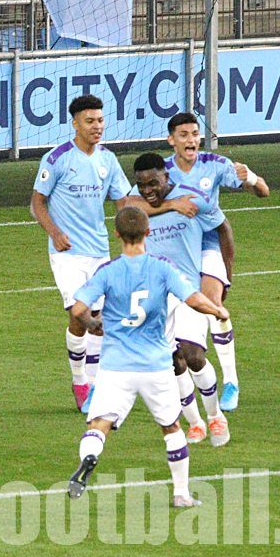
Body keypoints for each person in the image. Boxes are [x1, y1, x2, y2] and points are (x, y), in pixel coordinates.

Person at [66, 206, 229, 505]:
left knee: (99, 424)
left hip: (116, 366)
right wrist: (217, 309)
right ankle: (181, 494)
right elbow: (192, 299)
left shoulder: (108, 271)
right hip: (155, 365)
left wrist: (92, 324)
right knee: (171, 428)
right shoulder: (162, 267)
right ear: (147, 232)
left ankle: (90, 457)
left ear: (116, 233)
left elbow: (78, 309)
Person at [30, 94, 131, 413]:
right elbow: (37, 203)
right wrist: (55, 233)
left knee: (98, 318)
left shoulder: (108, 160)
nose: (97, 126)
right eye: (90, 121)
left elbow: (123, 202)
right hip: (67, 254)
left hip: (99, 251)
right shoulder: (57, 158)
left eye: (100, 120)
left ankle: (94, 385)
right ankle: (79, 381)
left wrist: (128, 236)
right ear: (75, 124)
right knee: (79, 315)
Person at [163, 112, 270, 412]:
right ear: (171, 140)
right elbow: (134, 203)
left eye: (195, 133)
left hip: (209, 242)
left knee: (214, 305)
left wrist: (250, 177)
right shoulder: (162, 172)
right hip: (175, 247)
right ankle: (178, 385)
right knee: (175, 335)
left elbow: (262, 192)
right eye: (183, 134)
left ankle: (231, 381)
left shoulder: (216, 164)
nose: (191, 140)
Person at [128, 152, 231, 446]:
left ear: (166, 176)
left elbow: (223, 229)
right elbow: (125, 208)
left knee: (193, 355)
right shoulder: (139, 203)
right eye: (141, 185)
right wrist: (169, 205)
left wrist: (226, 275)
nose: (147, 190)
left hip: (187, 288)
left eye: (153, 183)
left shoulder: (195, 200)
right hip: (156, 295)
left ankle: (215, 416)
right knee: (173, 362)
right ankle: (195, 423)